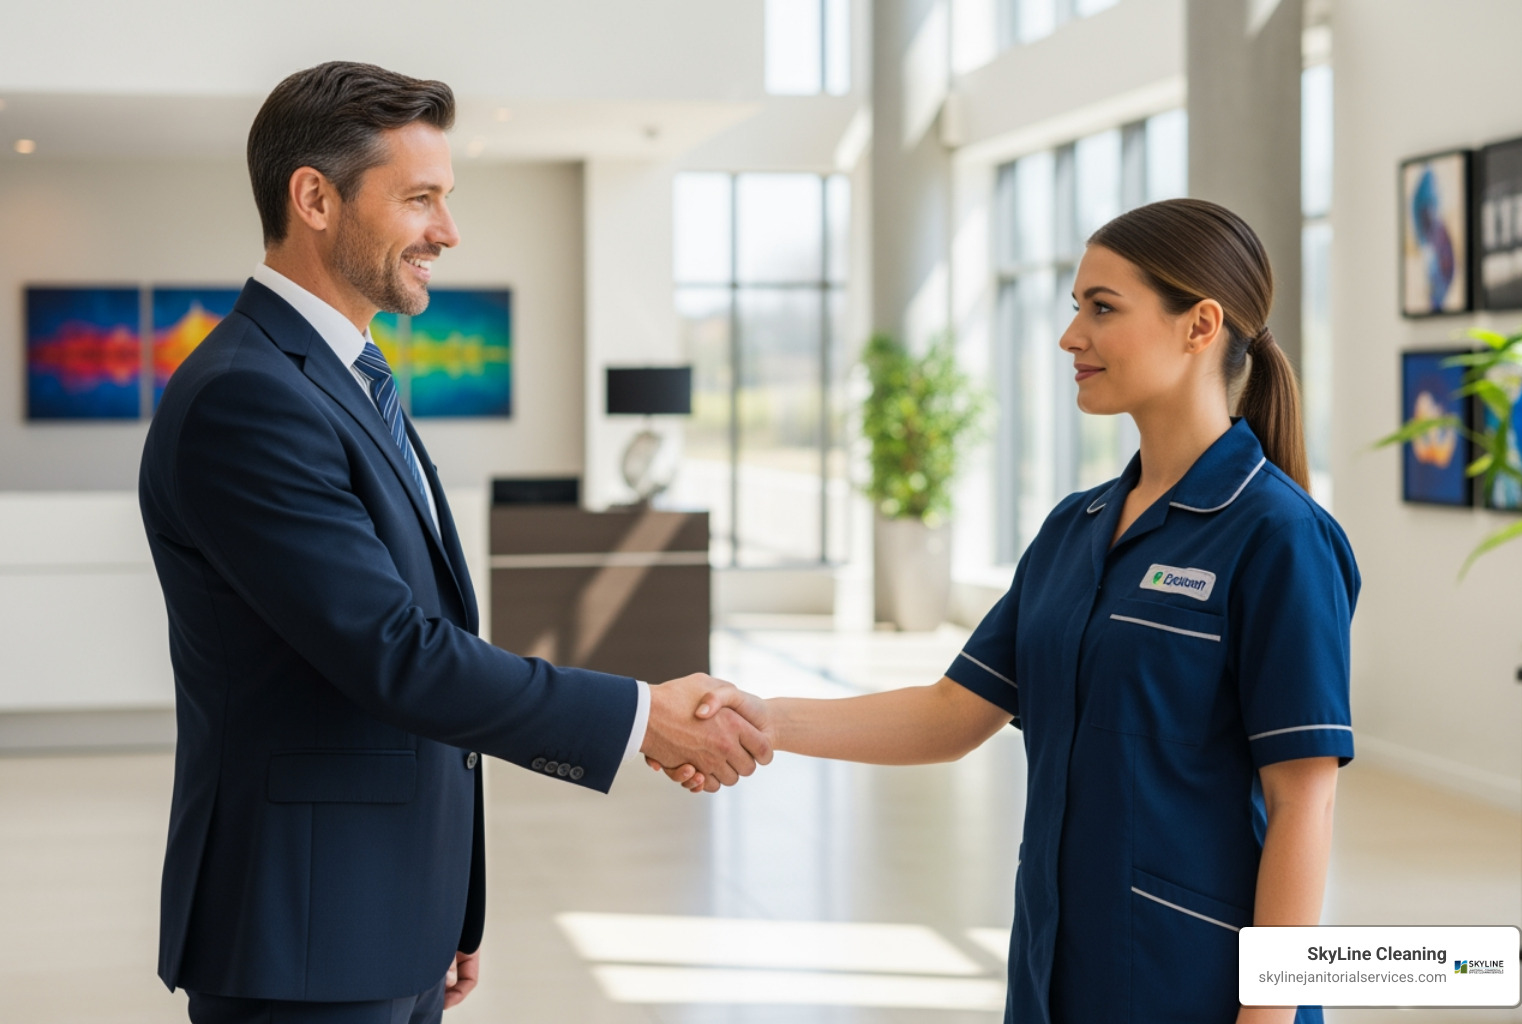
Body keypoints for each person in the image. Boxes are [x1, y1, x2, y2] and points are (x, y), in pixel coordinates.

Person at [139, 61, 770, 1024]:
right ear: (314, 197)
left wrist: (442, 906)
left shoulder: (343, 375)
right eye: (421, 198)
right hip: (302, 936)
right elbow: (398, 655)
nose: (448, 230)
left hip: (386, 912)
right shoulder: (247, 397)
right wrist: (645, 716)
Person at [659, 199, 1358, 1023]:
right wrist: (762, 718)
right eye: (1074, 310)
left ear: (1199, 325)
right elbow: (953, 714)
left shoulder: (1278, 535)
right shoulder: (1077, 528)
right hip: (1057, 970)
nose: (1071, 337)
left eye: (1103, 308)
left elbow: (1303, 801)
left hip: (1196, 983)